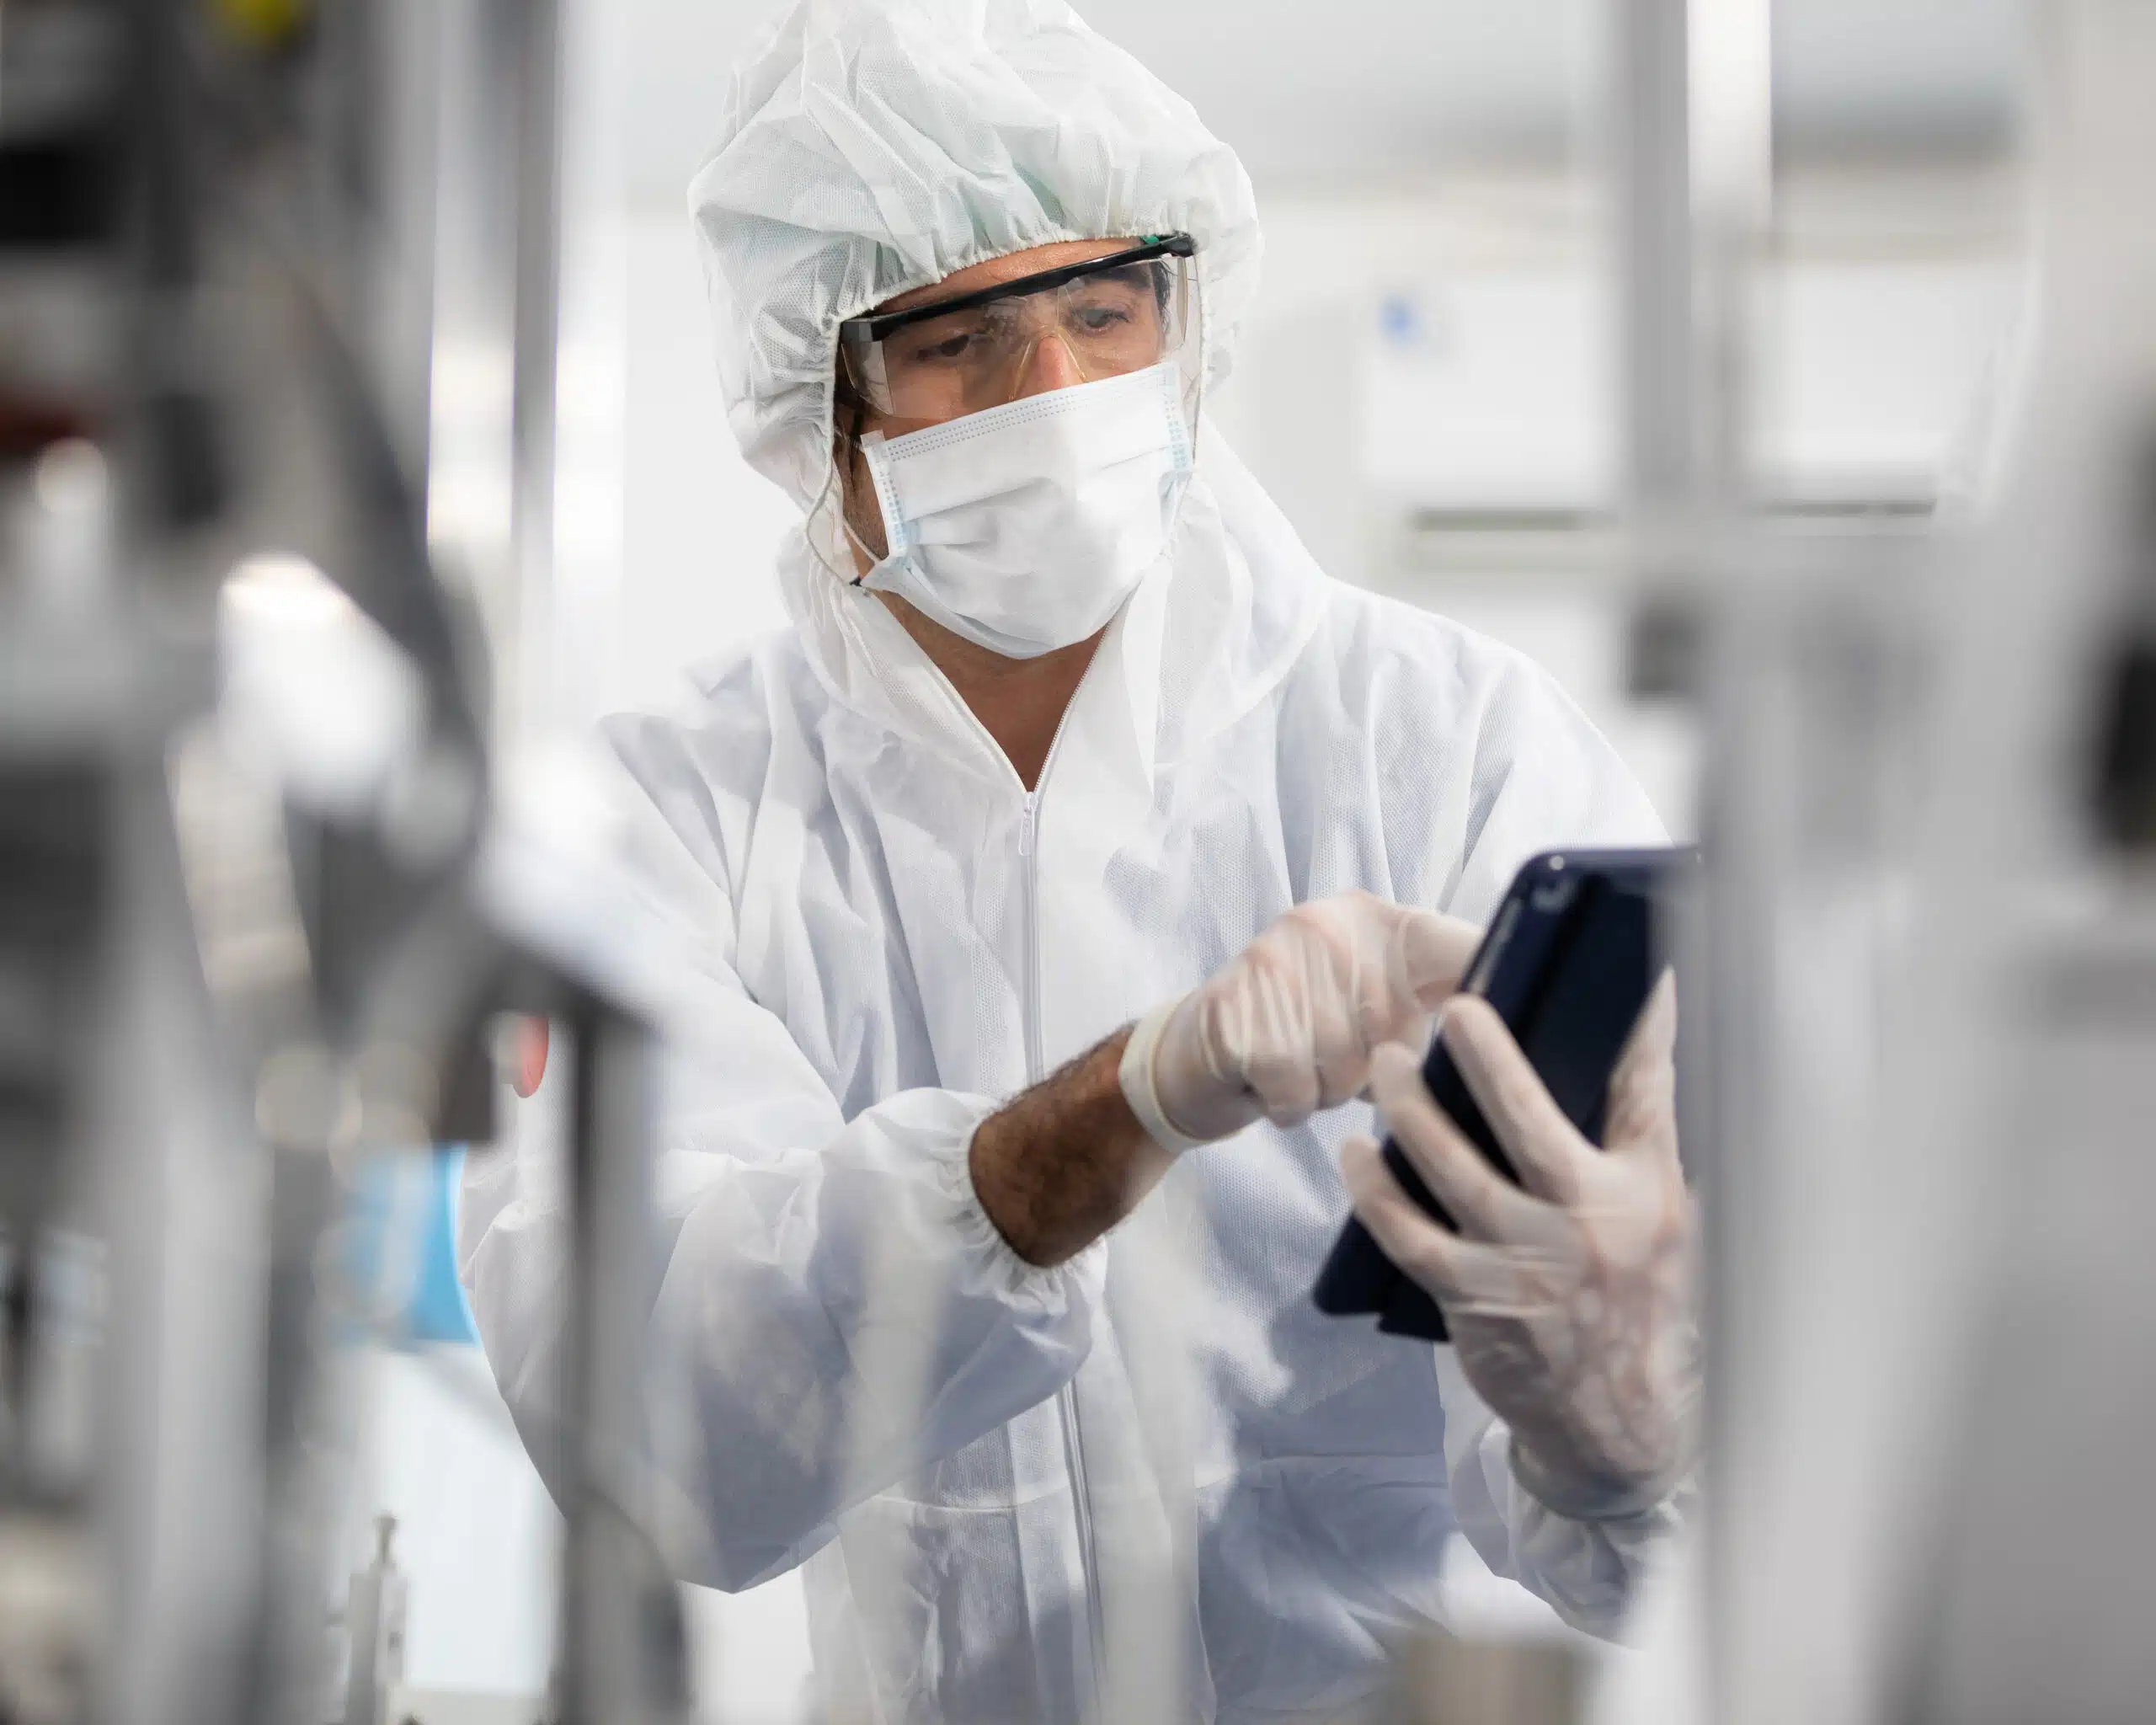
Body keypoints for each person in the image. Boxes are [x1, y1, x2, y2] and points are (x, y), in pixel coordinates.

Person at [460, 0, 1697, 1717]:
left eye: (1103, 310)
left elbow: (1659, 1559)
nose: (1051, 395)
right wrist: (1116, 1108)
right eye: (955, 341)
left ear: (1183, 329)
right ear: (820, 417)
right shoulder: (668, 818)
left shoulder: (1451, 744)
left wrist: (1622, 1408)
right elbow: (667, 1428)